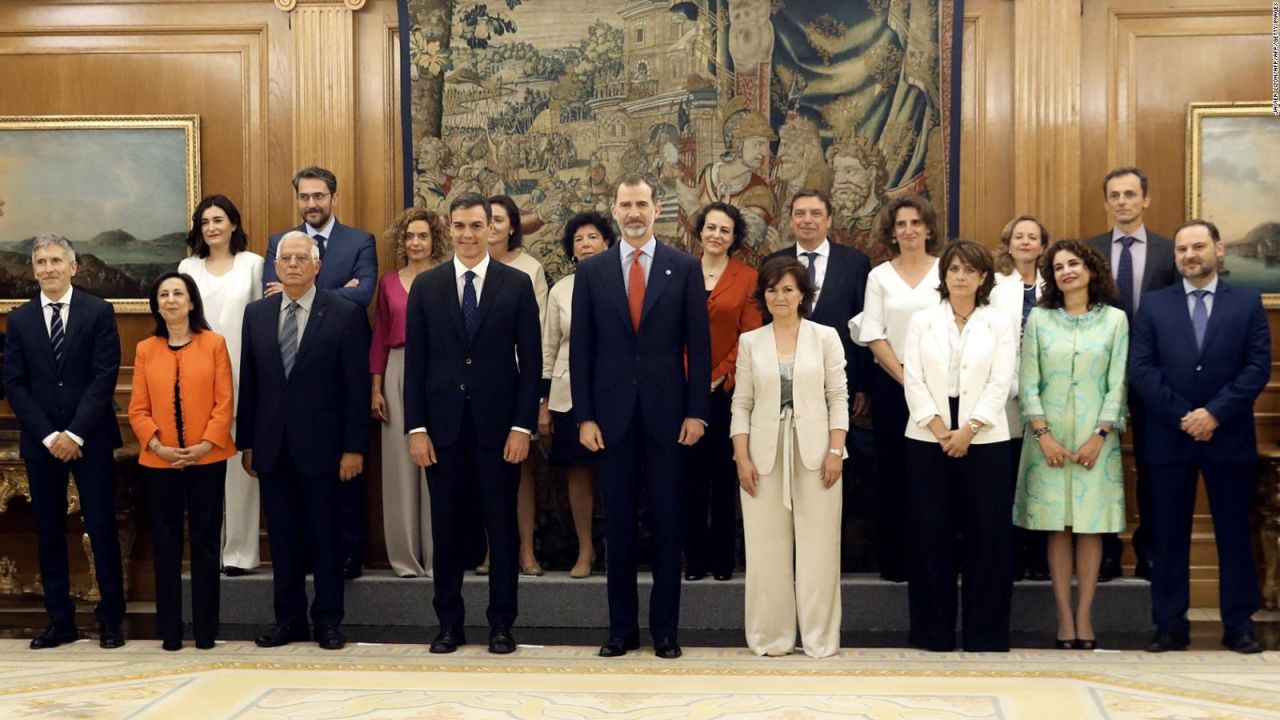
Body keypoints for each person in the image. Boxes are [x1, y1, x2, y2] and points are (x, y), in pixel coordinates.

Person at [570, 173, 712, 659]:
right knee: (619, 530)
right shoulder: (592, 272)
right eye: (625, 204)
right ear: (614, 209)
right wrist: (585, 416)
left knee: (669, 526)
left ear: (657, 209)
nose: (634, 213)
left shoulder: (684, 267)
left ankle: (666, 632)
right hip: (610, 421)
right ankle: (620, 631)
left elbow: (700, 345)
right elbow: (581, 352)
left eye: (642, 204)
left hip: (669, 418)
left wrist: (698, 413)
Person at [404, 193, 541, 655]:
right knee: (446, 532)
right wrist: (416, 428)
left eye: (476, 226)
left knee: (501, 531)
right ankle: (449, 625)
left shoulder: (517, 284)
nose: (467, 234)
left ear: (492, 229)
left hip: (499, 432)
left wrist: (523, 427)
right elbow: (416, 364)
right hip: (440, 432)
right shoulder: (427, 287)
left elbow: (532, 362)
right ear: (450, 228)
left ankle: (502, 624)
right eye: (459, 226)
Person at [1129, 220, 1269, 654]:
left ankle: (1239, 624)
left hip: (1228, 437)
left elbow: (1257, 367)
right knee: (1168, 535)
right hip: (1169, 438)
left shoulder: (1246, 303)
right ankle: (1170, 624)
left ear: (1219, 250)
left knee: (1234, 534)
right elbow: (1142, 369)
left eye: (1198, 247)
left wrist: (1214, 414)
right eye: (1182, 249)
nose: (1190, 255)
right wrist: (1185, 416)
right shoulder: (1154, 306)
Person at [238, 232, 370, 651]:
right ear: (275, 267)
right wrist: (247, 443)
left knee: (326, 538)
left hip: (327, 450)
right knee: (283, 539)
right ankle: (288, 620)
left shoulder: (345, 313)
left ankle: (328, 622)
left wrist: (354, 448)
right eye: (285, 258)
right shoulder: (256, 314)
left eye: (301, 258)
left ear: (317, 266)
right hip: (273, 447)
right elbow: (251, 383)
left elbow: (356, 388)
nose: (292, 264)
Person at [3, 234, 126, 650]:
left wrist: (74, 433)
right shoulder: (19, 321)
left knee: (102, 527)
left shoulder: (98, 312)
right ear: (33, 269)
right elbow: (15, 385)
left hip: (89, 438)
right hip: (41, 441)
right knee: (49, 530)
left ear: (73, 267)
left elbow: (104, 376)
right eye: (41, 262)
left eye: (57, 260)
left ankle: (111, 620)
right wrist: (49, 434)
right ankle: (61, 622)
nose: (49, 268)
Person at [1013, 239, 1128, 650]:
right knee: (1057, 528)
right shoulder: (1041, 321)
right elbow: (1028, 381)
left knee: (1091, 528)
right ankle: (1064, 618)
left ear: (1091, 269)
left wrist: (1101, 435)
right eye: (1058, 266)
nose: (1066, 271)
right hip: (1048, 441)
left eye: (1073, 263)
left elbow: (1118, 383)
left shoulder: (1115, 321)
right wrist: (1044, 436)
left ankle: (1086, 617)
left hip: (1097, 441)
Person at [263, 166, 377, 579]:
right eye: (305, 197)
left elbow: (363, 293)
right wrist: (334, 290)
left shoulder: (360, 241)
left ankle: (348, 555)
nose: (312, 203)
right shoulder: (280, 242)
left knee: (343, 483)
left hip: (339, 367)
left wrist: (309, 294)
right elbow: (271, 294)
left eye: (319, 196)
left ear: (334, 197)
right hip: (291, 368)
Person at [902, 241, 1016, 652]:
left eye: (970, 270)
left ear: (983, 276)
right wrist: (939, 428)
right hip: (927, 438)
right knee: (931, 537)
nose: (961, 277)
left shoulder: (998, 322)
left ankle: (985, 635)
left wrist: (968, 430)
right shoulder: (922, 321)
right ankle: (933, 634)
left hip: (985, 440)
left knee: (987, 538)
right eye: (954, 270)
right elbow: (912, 378)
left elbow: (1001, 381)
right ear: (944, 276)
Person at [731, 257, 848, 658]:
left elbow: (838, 397)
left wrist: (836, 450)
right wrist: (741, 456)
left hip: (818, 453)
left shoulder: (825, 337)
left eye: (788, 289)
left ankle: (820, 638)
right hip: (762, 454)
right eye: (772, 289)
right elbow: (741, 403)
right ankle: (771, 637)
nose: (780, 296)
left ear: (803, 295)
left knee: (820, 549)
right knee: (765, 550)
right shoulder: (751, 341)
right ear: (763, 295)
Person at [128, 272, 236, 651]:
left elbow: (225, 402)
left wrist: (206, 444)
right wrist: (158, 447)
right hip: (160, 462)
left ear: (192, 302)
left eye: (179, 293)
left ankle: (206, 631)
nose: (171, 300)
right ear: (156, 305)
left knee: (206, 543)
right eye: (164, 294)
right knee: (166, 543)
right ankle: (170, 632)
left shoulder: (214, 344)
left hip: (208, 458)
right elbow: (137, 408)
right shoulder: (145, 349)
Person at [762, 190, 870, 563]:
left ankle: (826, 560)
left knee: (828, 471)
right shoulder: (773, 262)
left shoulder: (855, 263)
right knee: (786, 472)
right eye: (799, 213)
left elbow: (862, 326)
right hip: (784, 388)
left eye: (815, 213)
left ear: (828, 220)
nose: (807, 220)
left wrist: (861, 385)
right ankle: (787, 560)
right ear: (790, 219)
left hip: (835, 386)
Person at [1085, 166, 1176, 582]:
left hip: (1154, 375)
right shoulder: (1090, 250)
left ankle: (1150, 551)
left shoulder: (1167, 251)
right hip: (1099, 376)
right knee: (1101, 463)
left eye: (1130, 194)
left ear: (1146, 199)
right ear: (1106, 203)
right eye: (1115, 195)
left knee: (1153, 464)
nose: (1122, 201)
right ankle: (1105, 552)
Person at [854, 193, 942, 582]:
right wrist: (908, 380)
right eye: (901, 224)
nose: (908, 230)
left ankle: (934, 561)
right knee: (893, 473)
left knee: (933, 474)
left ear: (928, 229)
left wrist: (925, 383)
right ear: (892, 232)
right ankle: (896, 563)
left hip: (942, 384)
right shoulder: (879, 276)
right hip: (893, 385)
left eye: (915, 223)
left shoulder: (946, 271)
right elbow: (873, 334)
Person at [179, 194, 264, 577]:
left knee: (240, 462)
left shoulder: (254, 264)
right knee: (205, 465)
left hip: (245, 373)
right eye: (205, 221)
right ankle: (208, 552)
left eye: (218, 219)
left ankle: (241, 553)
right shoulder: (187, 267)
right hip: (197, 377)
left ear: (233, 223)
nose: (211, 227)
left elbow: (264, 319)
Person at [685, 202, 762, 583]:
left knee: (725, 475)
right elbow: (669, 331)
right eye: (711, 228)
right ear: (700, 232)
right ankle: (694, 560)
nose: (716, 235)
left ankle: (722, 562)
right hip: (683, 392)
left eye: (725, 230)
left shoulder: (748, 278)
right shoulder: (680, 272)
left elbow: (750, 335)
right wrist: (691, 376)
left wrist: (716, 375)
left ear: (734, 238)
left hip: (729, 392)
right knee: (689, 477)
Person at [370, 207, 449, 578]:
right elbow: (380, 338)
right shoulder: (388, 283)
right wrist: (376, 387)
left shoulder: (448, 278)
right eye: (409, 237)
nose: (415, 243)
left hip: (440, 372)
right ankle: (405, 559)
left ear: (435, 240)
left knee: (439, 463)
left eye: (422, 236)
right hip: (397, 372)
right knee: (400, 467)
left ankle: (440, 557)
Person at [539, 211, 617, 579]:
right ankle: (585, 549)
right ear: (572, 251)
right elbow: (549, 348)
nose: (586, 245)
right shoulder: (561, 290)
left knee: (619, 471)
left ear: (608, 242)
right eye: (579, 240)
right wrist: (544, 403)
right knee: (578, 471)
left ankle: (619, 548)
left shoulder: (624, 281)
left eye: (593, 237)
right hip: (569, 394)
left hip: (616, 392)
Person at [487, 195, 550, 576]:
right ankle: (494, 552)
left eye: (498, 219)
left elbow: (538, 332)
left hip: (517, 384)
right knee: (482, 471)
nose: (491, 226)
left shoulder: (529, 269)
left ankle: (525, 550)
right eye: (485, 219)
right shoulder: (463, 269)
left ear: (513, 226)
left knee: (519, 468)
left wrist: (535, 390)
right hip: (477, 387)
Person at [990, 215, 1050, 581]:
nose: (1025, 242)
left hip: (1048, 395)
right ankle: (1011, 557)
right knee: (1010, 476)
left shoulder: (1055, 284)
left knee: (1042, 477)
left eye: (1033, 237)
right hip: (1006, 396)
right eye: (1019, 236)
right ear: (1008, 243)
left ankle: (1040, 558)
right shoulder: (996, 285)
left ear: (1043, 245)